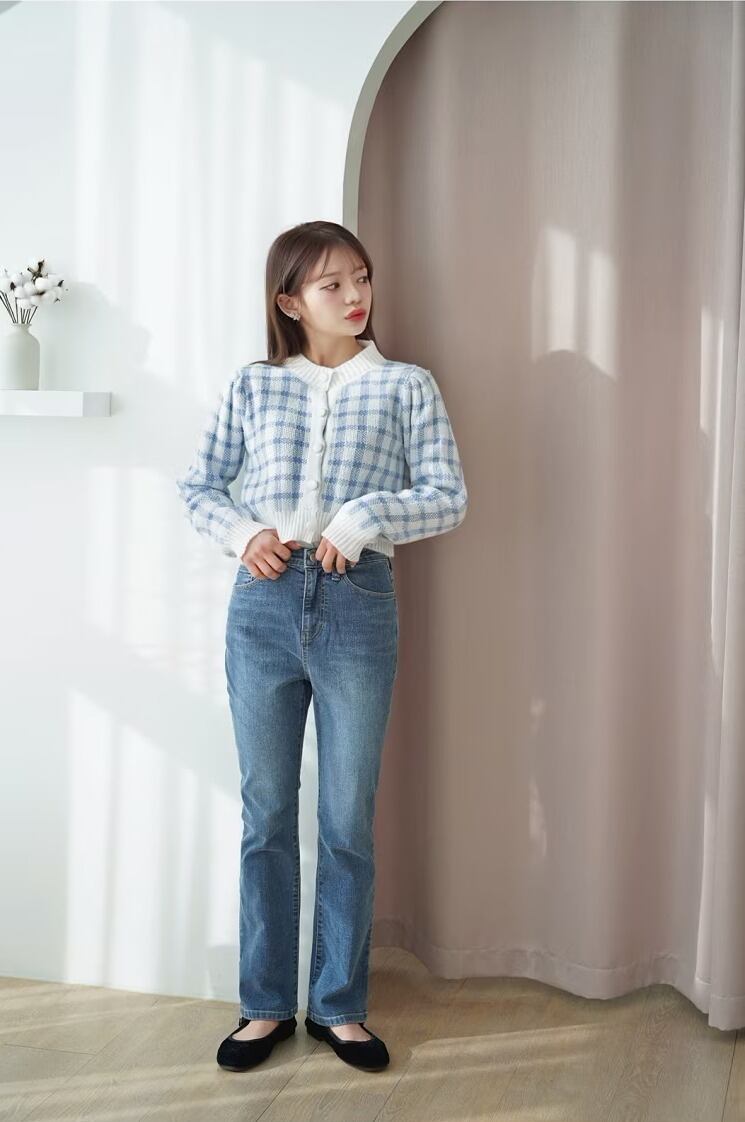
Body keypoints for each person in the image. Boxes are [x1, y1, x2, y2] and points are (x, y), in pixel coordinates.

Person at [176, 220, 468, 1072]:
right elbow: (197, 486)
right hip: (262, 606)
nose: (354, 295)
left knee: (345, 819)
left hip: (357, 603)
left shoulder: (406, 386)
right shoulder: (254, 385)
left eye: (361, 277)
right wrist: (242, 535)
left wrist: (365, 516)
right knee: (266, 813)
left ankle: (338, 1006)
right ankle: (264, 1005)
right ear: (290, 302)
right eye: (332, 284)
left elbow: (448, 495)